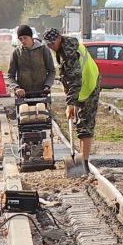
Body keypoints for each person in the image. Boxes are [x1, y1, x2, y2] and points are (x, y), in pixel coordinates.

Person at [47, 27, 102, 168]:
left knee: (85, 124)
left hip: (88, 86)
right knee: (80, 123)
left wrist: (71, 103)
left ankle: (83, 162)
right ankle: (82, 160)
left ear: (59, 38)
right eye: (48, 44)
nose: (50, 46)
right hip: (82, 88)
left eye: (52, 43)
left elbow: (75, 79)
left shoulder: (68, 52)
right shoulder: (64, 47)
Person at [7, 24, 55, 102]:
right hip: (23, 95)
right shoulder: (16, 53)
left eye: (25, 38)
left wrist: (47, 86)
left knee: (42, 112)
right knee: (24, 113)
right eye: (20, 39)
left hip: (42, 93)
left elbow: (51, 71)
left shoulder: (43, 50)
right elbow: (10, 75)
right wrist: (17, 88)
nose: (23, 41)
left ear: (31, 37)